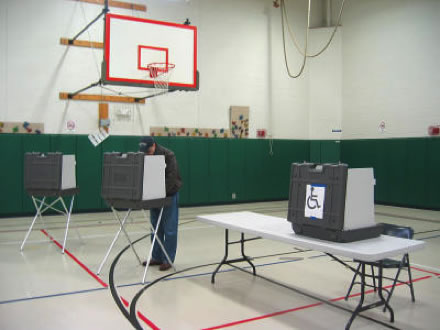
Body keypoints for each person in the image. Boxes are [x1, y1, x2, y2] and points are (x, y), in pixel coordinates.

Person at [139, 136, 182, 271]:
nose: (147, 154)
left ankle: (168, 259)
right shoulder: (145, 155)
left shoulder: (168, 155)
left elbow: (172, 178)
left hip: (169, 194)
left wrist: (161, 193)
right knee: (155, 228)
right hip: (153, 195)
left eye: (148, 151)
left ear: (154, 146)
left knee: (169, 229)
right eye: (145, 152)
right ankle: (156, 257)